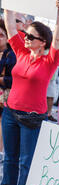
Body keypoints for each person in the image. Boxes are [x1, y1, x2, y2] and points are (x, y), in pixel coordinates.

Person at [0, 2, 59, 185]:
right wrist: (8, 6)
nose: (25, 38)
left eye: (30, 37)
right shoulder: (21, 52)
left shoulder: (50, 60)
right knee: (10, 157)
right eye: (25, 35)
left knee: (26, 160)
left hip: (33, 117)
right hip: (10, 112)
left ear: (42, 42)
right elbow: (10, 25)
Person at [0, 19, 17, 163]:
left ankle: (0, 153)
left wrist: (1, 80)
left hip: (4, 97)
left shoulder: (11, 55)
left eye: (1, 35)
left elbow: (14, 80)